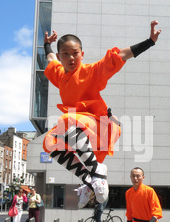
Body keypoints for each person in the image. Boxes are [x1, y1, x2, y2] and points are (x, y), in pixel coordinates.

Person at [43, 21, 161, 209]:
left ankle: (98, 173)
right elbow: (50, 58)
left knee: (66, 119)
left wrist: (150, 41)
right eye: (66, 54)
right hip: (84, 137)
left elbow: (120, 56)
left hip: (104, 127)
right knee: (49, 142)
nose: (71, 58)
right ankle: (90, 181)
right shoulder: (59, 74)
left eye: (75, 54)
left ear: (82, 54)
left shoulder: (91, 72)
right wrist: (47, 44)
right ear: (60, 57)